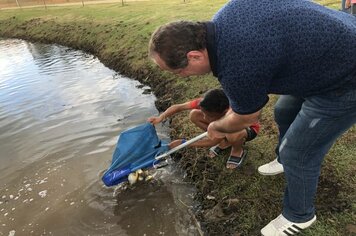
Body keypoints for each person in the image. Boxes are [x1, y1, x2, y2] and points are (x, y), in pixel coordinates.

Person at [148, 0, 356, 235]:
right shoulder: (225, 16)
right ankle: (283, 160)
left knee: (298, 153)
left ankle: (300, 214)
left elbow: (245, 117)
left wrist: (217, 126)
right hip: (328, 51)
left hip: (346, 78)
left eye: (179, 72)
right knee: (284, 111)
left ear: (194, 56)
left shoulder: (236, 65)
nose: (183, 77)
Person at [147, 88, 260, 169]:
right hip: (222, 123)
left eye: (209, 115)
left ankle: (237, 150)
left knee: (233, 134)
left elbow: (212, 141)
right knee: (194, 114)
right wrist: (160, 117)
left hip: (247, 129)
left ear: (224, 111)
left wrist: (184, 143)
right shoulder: (208, 103)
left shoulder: (231, 114)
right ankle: (225, 142)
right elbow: (179, 107)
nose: (205, 118)